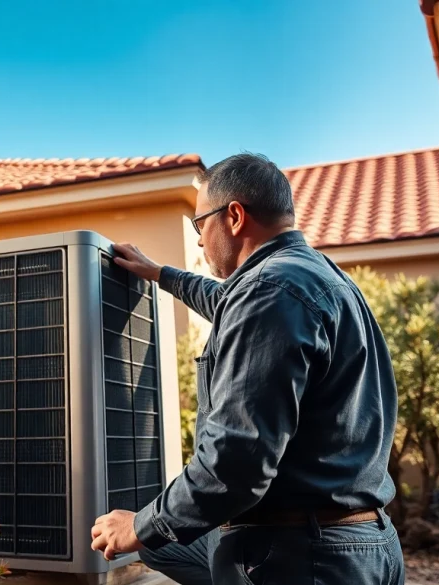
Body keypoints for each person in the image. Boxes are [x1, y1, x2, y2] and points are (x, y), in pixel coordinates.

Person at [89, 152, 405, 585]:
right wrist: (160, 273)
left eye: (200, 225)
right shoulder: (318, 278)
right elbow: (224, 301)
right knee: (164, 551)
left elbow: (235, 465)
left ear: (234, 216)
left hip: (302, 556)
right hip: (361, 539)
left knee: (148, 533)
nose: (199, 241)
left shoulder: (268, 292)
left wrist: (140, 526)